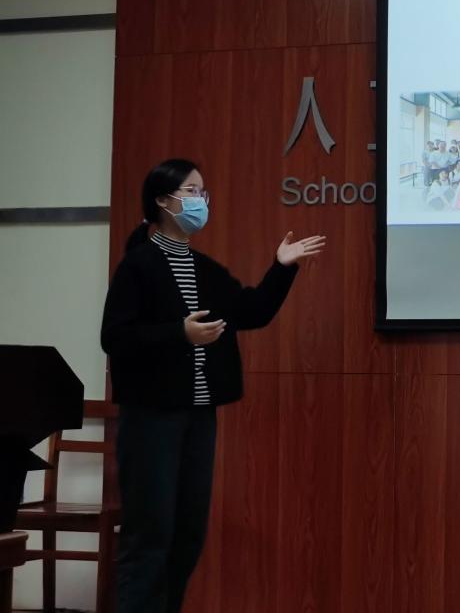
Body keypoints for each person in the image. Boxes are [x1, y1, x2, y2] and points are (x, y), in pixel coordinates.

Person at [101, 159, 325, 613]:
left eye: (203, 192)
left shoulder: (203, 268)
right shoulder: (139, 265)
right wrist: (178, 333)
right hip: (151, 418)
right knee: (150, 535)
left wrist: (282, 268)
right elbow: (115, 338)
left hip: (199, 416)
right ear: (163, 201)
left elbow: (252, 312)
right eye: (191, 191)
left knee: (188, 533)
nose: (201, 200)